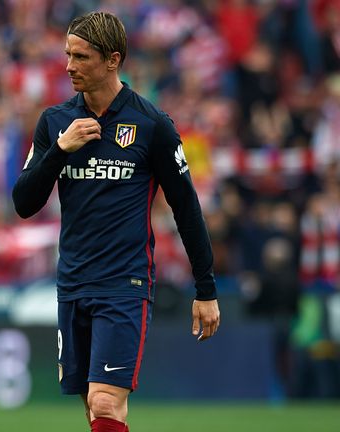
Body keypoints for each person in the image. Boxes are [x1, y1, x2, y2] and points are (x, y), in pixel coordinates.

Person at [11, 12, 220, 432]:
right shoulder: (55, 122)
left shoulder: (152, 125)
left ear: (113, 60)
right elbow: (23, 203)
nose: (69, 65)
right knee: (92, 405)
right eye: (68, 54)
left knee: (106, 401)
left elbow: (186, 207)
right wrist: (59, 150)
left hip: (124, 283)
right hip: (72, 282)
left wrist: (206, 288)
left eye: (81, 56)